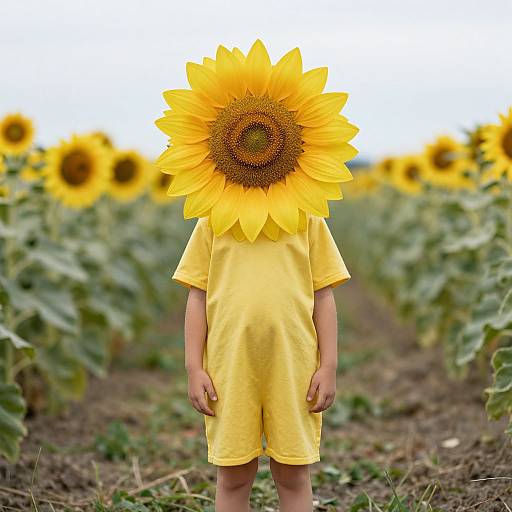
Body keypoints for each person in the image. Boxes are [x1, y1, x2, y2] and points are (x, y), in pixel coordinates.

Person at [172, 212, 350, 512]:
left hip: (295, 368)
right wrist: (194, 366)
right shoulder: (214, 218)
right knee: (233, 474)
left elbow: (323, 294)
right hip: (229, 368)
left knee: (293, 473)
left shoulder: (307, 216)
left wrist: (329, 365)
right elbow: (197, 296)